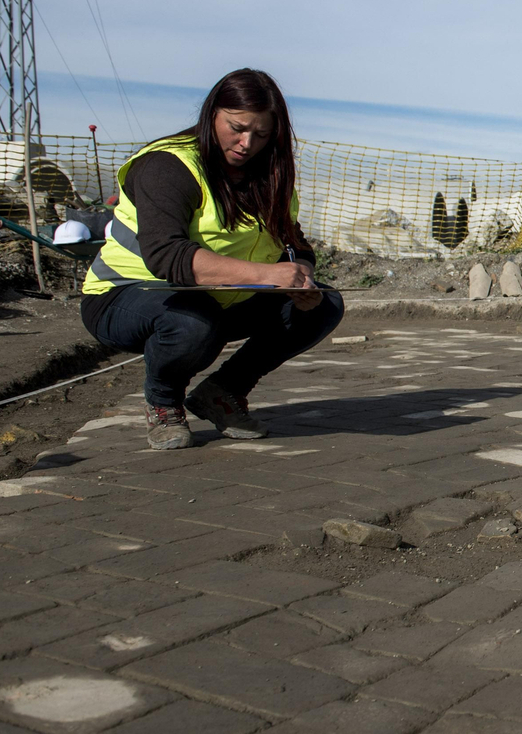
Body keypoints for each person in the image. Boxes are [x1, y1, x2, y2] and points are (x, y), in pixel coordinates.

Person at [80, 69, 344, 450]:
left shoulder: (269, 173)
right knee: (191, 323)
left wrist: (301, 275)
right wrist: (268, 276)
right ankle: (163, 401)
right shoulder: (167, 166)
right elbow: (165, 255)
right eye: (236, 127)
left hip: (216, 299)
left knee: (323, 305)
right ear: (211, 114)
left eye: (262, 134)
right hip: (125, 296)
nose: (246, 143)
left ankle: (222, 393)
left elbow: (295, 243)